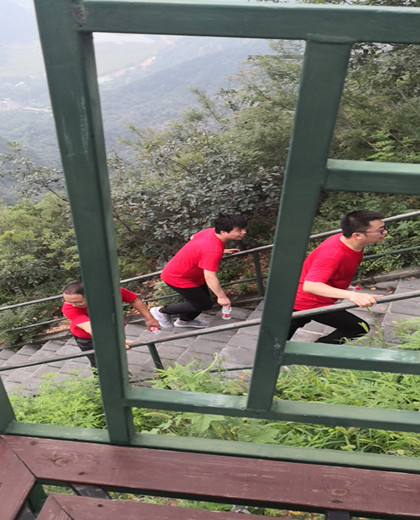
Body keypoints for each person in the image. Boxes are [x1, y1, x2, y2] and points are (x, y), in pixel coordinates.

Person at [287, 210, 387, 344]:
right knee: (357, 328)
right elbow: (311, 285)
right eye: (380, 230)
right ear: (357, 235)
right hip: (308, 302)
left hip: (309, 299)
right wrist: (352, 295)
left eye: (384, 228)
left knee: (280, 337)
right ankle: (315, 353)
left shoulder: (350, 242)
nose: (385, 232)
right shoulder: (332, 254)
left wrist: (343, 285)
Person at [151, 214, 247, 329]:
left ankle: (184, 320)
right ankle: (161, 311)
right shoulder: (212, 250)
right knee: (204, 304)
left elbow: (193, 238)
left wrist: (221, 250)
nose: (244, 232)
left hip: (191, 274)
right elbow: (210, 276)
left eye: (243, 229)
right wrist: (222, 297)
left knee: (202, 300)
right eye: (239, 230)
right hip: (177, 277)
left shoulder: (210, 232)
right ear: (223, 232)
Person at [62, 281, 160, 368]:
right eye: (68, 301)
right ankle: (103, 382)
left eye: (78, 302)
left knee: (117, 355)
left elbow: (133, 300)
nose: (73, 305)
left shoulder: (110, 291)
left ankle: (122, 374)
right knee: (99, 362)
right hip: (88, 338)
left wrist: (150, 319)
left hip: (113, 329)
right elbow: (90, 328)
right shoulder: (69, 308)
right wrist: (115, 341)